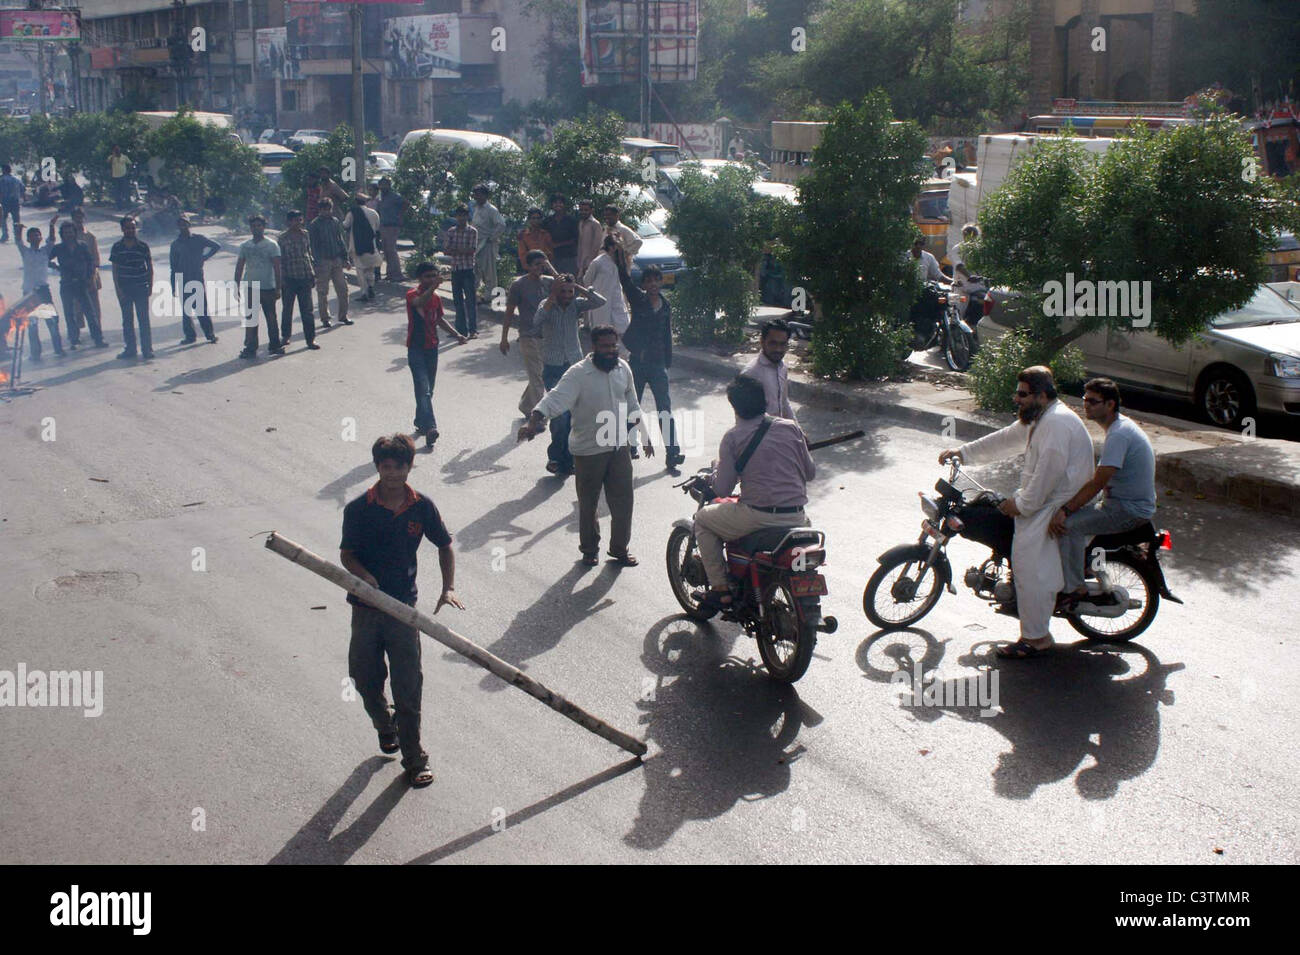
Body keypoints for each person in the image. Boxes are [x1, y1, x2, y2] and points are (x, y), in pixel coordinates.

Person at [939, 366, 1095, 659]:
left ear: (1040, 394)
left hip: (1055, 506)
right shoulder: (1041, 418)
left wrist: (1020, 504)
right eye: (1017, 393)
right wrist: (963, 453)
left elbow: (1047, 475)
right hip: (1045, 501)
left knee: (1028, 567)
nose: (1016, 399)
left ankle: (1035, 639)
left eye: (1022, 394)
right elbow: (1008, 438)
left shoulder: (1056, 424)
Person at [340, 433, 465, 788]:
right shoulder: (357, 509)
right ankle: (384, 725)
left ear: (409, 467)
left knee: (408, 686)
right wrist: (365, 579)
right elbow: (346, 554)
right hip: (365, 607)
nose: (392, 473)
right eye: (386, 467)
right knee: (364, 678)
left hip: (403, 611)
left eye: (399, 467)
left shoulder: (422, 507)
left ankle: (414, 759)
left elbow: (445, 546)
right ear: (377, 467)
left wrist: (448, 587)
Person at [518, 325, 650, 567]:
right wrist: (533, 420)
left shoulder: (623, 369)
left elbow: (633, 403)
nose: (611, 351)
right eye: (605, 346)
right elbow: (555, 397)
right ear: (593, 347)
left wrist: (645, 435)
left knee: (623, 502)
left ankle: (619, 549)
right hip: (588, 450)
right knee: (588, 504)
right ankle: (590, 550)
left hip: (618, 445)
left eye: (614, 345)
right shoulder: (578, 373)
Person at [692, 375, 815, 611]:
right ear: (765, 401)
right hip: (798, 517)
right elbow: (810, 473)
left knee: (703, 520)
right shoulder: (791, 428)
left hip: (758, 516)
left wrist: (717, 469)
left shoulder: (732, 438)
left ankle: (720, 589)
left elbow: (722, 489)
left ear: (734, 406)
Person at [1050, 378, 1157, 604]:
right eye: (1084, 400)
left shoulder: (1118, 434)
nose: (1086, 405)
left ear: (1110, 404)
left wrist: (1066, 510)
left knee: (1067, 526)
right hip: (1121, 502)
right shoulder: (1120, 427)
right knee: (1078, 513)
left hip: (1127, 510)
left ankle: (1073, 588)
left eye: (1093, 401)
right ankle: (1086, 568)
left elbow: (1098, 482)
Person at [530, 275, 606, 476]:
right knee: (559, 414)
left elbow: (600, 301)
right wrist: (553, 294)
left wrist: (578, 287)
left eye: (569, 292)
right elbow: (536, 321)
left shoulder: (576, 305)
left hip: (574, 366)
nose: (566, 295)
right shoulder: (546, 305)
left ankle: (569, 458)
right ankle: (555, 457)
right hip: (553, 366)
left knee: (574, 415)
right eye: (562, 291)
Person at [617, 251, 682, 471]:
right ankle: (629, 446)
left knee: (665, 409)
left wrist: (667, 362)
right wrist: (618, 252)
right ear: (643, 284)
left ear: (661, 282)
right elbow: (624, 280)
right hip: (637, 363)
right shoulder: (638, 300)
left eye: (656, 279)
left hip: (657, 364)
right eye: (648, 281)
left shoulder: (666, 305)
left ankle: (673, 453)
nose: (653, 284)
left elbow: (666, 334)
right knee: (631, 407)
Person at [406, 262, 467, 449]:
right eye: (427, 277)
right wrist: (433, 287)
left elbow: (439, 319)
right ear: (420, 279)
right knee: (423, 389)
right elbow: (419, 303)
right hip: (415, 348)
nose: (431, 280)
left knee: (428, 390)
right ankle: (431, 428)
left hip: (432, 348)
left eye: (434, 276)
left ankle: (420, 421)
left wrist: (456, 334)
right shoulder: (412, 294)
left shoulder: (437, 298)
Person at [501, 250, 554, 418]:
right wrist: (504, 338)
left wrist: (552, 270)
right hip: (527, 334)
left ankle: (526, 405)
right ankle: (538, 416)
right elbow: (509, 312)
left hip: (547, 335)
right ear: (528, 266)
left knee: (540, 374)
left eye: (543, 264)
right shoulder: (519, 285)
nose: (540, 268)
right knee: (538, 375)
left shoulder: (550, 282)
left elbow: (568, 285)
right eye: (536, 264)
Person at [47, 216, 105, 349]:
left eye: (71, 232)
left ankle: (98, 339)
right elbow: (46, 258)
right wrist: (56, 267)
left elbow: (90, 261)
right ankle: (74, 340)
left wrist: (90, 276)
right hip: (66, 283)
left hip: (81, 283)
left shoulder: (82, 246)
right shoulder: (59, 248)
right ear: (62, 234)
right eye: (66, 232)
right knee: (69, 314)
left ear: (74, 232)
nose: (69, 234)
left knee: (90, 312)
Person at [233, 214, 282, 359]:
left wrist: (278, 287)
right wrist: (236, 285)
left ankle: (275, 345)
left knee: (271, 318)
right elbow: (239, 266)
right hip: (250, 286)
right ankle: (250, 347)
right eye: (253, 226)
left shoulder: (272, 245)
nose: (256, 228)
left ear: (264, 227)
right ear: (250, 228)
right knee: (250, 318)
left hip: (268, 286)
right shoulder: (245, 246)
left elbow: (277, 268)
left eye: (259, 225)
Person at [9, 222, 59, 360]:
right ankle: (35, 353)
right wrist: (18, 230)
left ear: (41, 238)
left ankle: (58, 349)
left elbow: (52, 240)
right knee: (32, 324)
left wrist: (51, 226)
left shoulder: (45, 251)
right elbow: (18, 241)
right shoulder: (26, 252)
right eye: (32, 236)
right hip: (29, 293)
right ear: (29, 239)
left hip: (43, 291)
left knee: (51, 322)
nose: (36, 237)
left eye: (38, 235)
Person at [168, 215, 220, 344]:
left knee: (201, 308)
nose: (183, 226)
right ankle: (190, 336)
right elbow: (173, 267)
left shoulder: (198, 239)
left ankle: (210, 334)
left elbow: (216, 246)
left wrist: (205, 257)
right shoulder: (175, 244)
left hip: (197, 278)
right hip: (182, 279)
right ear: (178, 226)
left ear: (189, 225)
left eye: (185, 223)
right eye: (180, 224)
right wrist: (173, 286)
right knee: (186, 311)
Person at [108, 215, 154, 360]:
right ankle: (130, 349)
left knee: (144, 320)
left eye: (133, 227)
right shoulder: (117, 247)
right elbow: (115, 271)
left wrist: (150, 286)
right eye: (128, 228)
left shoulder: (143, 247)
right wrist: (118, 290)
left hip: (141, 288)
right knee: (127, 321)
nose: (130, 230)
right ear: (122, 229)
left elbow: (150, 267)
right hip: (125, 289)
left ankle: (147, 350)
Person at [742, 318, 798, 424]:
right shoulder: (750, 374)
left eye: (783, 344)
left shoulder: (782, 368)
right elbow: (744, 418)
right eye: (773, 343)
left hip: (779, 433)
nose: (778, 349)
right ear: (762, 342)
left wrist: (798, 431)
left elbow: (784, 403)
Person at [277, 210, 317, 349]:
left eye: (300, 220)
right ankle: (286, 336)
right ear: (288, 222)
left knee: (307, 311)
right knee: (287, 309)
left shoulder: (305, 234)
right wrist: (281, 279)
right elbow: (279, 261)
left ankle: (310, 339)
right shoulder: (282, 238)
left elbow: (308, 254)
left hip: (305, 276)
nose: (298, 223)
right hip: (289, 278)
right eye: (295, 220)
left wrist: (312, 274)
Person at [309, 197, 350, 326]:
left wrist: (346, 258)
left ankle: (343, 316)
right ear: (319, 210)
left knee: (342, 289)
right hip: (322, 261)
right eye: (324, 209)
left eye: (328, 209)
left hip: (336, 259)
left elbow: (340, 240)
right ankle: (325, 318)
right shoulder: (314, 224)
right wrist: (315, 262)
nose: (326, 212)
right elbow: (313, 245)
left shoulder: (335, 222)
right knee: (323, 291)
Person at [439, 205, 478, 337]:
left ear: (468, 216)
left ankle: (473, 330)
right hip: (455, 269)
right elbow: (446, 250)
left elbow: (471, 250)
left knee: (470, 301)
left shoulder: (472, 231)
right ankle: (460, 329)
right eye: (459, 215)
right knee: (457, 301)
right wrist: (461, 250)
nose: (461, 218)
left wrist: (456, 250)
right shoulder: (451, 231)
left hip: (467, 269)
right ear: (456, 216)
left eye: (464, 215)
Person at [584, 235, 629, 336]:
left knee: (622, 328)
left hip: (617, 299)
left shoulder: (619, 261)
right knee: (602, 331)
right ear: (610, 247)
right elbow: (587, 280)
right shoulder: (598, 262)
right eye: (616, 245)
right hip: (601, 300)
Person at [342, 191, 382, 303]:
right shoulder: (374, 213)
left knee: (360, 270)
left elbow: (345, 225)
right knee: (370, 268)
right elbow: (377, 228)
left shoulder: (352, 212)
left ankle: (364, 292)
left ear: (355, 202)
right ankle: (371, 287)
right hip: (371, 245)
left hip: (357, 246)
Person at [470, 183, 506, 304]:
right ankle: (472, 295)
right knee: (475, 270)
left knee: (489, 271)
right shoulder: (476, 208)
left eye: (479, 194)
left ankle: (489, 297)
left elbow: (501, 225)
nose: (476, 197)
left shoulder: (491, 209)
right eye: (475, 195)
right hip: (476, 243)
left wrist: (492, 238)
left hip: (487, 243)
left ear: (485, 195)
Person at [69, 206, 103, 333]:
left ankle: (97, 331)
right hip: (76, 277)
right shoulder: (69, 236)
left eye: (80, 217)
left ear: (84, 218)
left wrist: (92, 275)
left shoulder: (90, 236)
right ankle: (76, 333)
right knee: (77, 306)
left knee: (94, 306)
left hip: (90, 276)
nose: (78, 220)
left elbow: (96, 258)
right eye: (76, 218)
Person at [375, 177, 405, 281]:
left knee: (391, 249)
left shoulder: (394, 197)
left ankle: (397, 274)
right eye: (381, 185)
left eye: (385, 184)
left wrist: (400, 216)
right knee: (386, 250)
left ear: (389, 185)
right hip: (383, 225)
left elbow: (405, 204)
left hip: (392, 225)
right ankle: (390, 273)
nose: (383, 187)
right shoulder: (381, 197)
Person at [543, 194, 578, 276]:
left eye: (560, 202)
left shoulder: (571, 220)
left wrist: (557, 245)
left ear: (564, 205)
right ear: (552, 205)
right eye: (555, 203)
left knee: (569, 282)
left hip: (569, 257)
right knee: (555, 282)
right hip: (553, 258)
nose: (558, 205)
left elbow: (575, 239)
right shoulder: (547, 221)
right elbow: (540, 232)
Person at [575, 199, 605, 279]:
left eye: (586, 210)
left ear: (591, 211)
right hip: (580, 263)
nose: (583, 212)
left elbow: (597, 246)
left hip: (590, 264)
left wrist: (589, 263)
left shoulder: (595, 224)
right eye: (581, 210)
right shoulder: (581, 222)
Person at [516, 207, 554, 271]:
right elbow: (522, 256)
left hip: (545, 269)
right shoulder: (523, 235)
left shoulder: (545, 234)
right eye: (533, 218)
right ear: (529, 220)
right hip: (529, 270)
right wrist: (530, 269)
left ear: (541, 219)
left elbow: (550, 254)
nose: (536, 220)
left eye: (538, 218)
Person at [0, 163, 23, 242]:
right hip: (15, 202)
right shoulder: (17, 179)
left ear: (4, 170)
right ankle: (17, 237)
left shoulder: (1, 179)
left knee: (2, 219)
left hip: (4, 202)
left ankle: (5, 235)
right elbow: (23, 188)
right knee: (16, 220)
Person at [108, 145, 131, 210]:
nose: (117, 151)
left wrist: (128, 172)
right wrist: (113, 155)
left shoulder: (124, 157)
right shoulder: (111, 157)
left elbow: (130, 164)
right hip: (115, 177)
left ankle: (127, 206)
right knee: (117, 193)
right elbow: (108, 163)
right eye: (115, 150)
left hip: (123, 176)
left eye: (117, 150)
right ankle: (119, 207)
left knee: (125, 191)